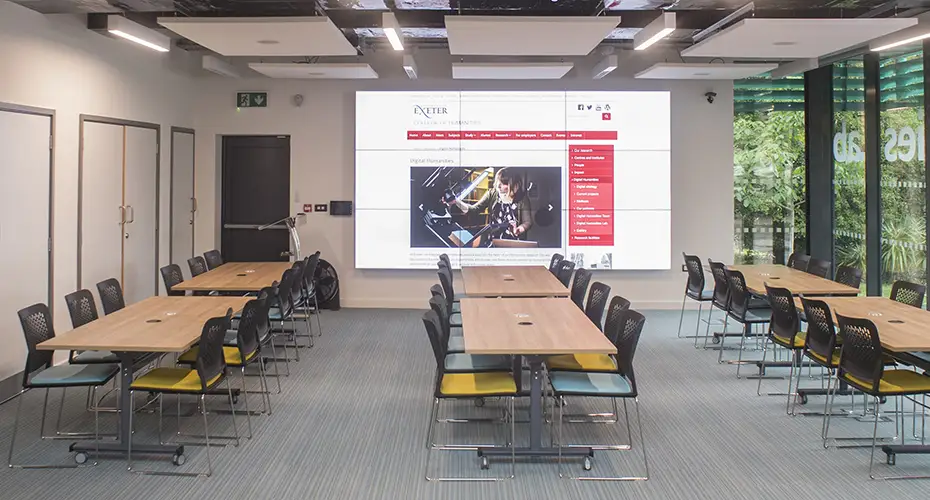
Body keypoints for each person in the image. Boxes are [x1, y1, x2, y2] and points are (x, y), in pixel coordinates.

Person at [445, 167, 532, 241]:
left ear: (513, 185)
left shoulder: (522, 199)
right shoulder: (492, 193)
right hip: (493, 240)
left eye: (503, 183)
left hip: (514, 242)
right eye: (498, 181)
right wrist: (456, 201)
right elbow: (473, 210)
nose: (498, 186)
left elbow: (527, 222)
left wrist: (519, 230)